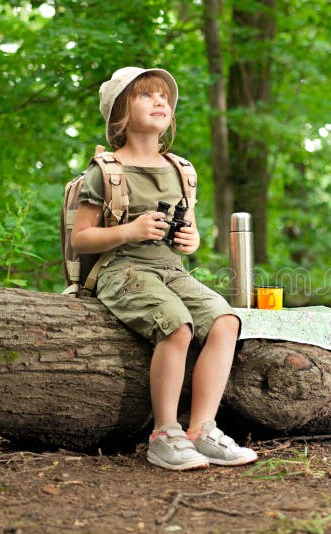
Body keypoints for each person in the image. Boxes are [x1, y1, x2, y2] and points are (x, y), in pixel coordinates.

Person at [71, 66, 257, 471]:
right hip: (120, 270)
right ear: (120, 111)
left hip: (171, 270)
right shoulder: (105, 172)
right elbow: (80, 238)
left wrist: (192, 240)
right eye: (145, 95)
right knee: (176, 323)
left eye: (164, 98)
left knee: (226, 319)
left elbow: (187, 229)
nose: (160, 102)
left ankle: (202, 429)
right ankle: (165, 433)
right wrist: (128, 230)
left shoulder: (180, 170)